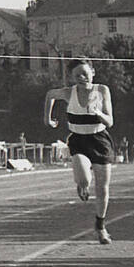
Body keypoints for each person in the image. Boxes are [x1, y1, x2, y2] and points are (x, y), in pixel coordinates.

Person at [43, 58, 116, 244]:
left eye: (85, 73)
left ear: (93, 72)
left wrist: (97, 112)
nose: (82, 77)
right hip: (79, 140)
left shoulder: (102, 90)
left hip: (100, 140)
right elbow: (50, 95)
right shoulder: (69, 93)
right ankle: (81, 184)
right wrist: (48, 119)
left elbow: (110, 122)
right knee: (84, 179)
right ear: (72, 78)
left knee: (102, 187)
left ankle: (100, 227)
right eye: (77, 75)